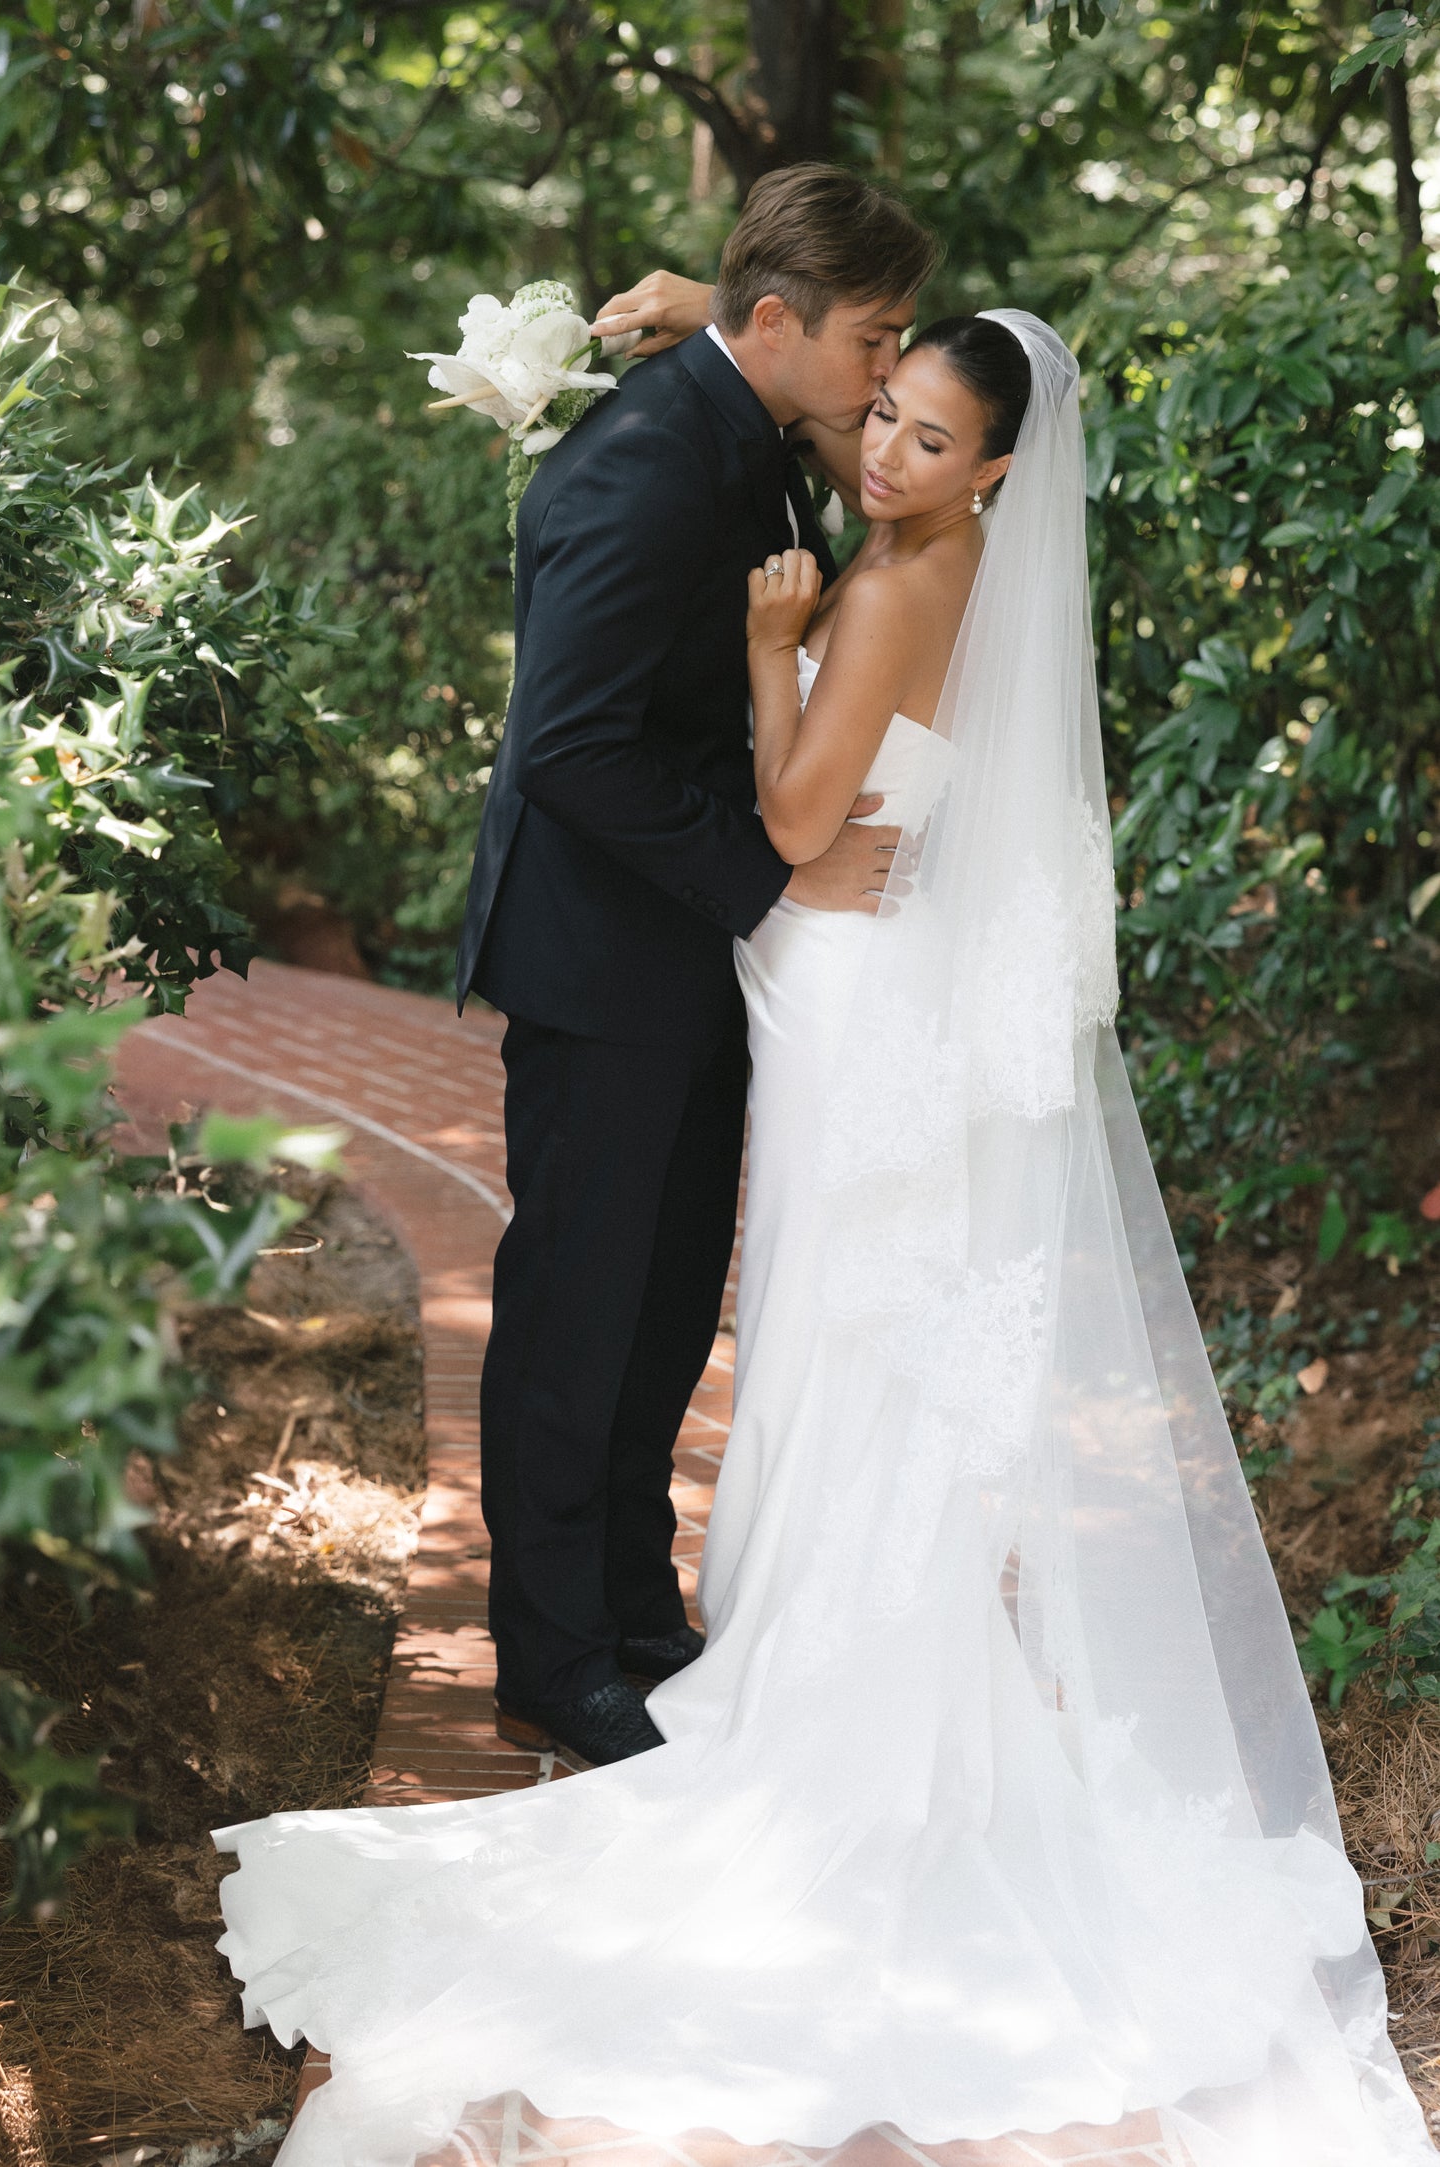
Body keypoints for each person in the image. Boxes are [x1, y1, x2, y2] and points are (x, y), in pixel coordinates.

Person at [213, 308, 1436, 2167]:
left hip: (841, 985)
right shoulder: (954, 559)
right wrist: (669, 316)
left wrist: (766, 652)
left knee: (820, 1326)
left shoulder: (886, 587)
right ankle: (824, 1644)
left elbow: (795, 818)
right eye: (882, 414)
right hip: (879, 975)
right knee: (840, 1327)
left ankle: (823, 1684)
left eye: (930, 441)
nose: (883, 455)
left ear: (996, 469)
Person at [453, 165, 941, 1770]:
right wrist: (768, 875)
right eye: (874, 341)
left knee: (662, 1306)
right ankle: (551, 1655)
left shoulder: (750, 419)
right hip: (601, 960)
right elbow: (569, 747)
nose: (888, 372)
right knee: (575, 1312)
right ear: (780, 323)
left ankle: (628, 1607)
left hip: (684, 953)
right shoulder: (648, 466)